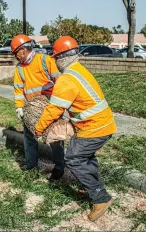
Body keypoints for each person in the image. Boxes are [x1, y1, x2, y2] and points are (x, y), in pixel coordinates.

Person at [34, 36, 117, 221]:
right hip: (104, 124)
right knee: (86, 157)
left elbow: (53, 110)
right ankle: (94, 188)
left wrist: (39, 129)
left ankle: (100, 197)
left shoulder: (66, 79)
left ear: (61, 58)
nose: (54, 62)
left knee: (73, 159)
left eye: (54, 58)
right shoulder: (78, 71)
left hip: (94, 128)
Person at [11, 34, 65, 181]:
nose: (16, 56)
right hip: (30, 109)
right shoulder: (20, 69)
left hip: (49, 106)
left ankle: (60, 167)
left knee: (55, 137)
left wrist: (59, 104)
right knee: (29, 138)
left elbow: (60, 82)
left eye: (16, 53)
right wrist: (19, 107)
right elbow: (18, 89)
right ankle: (31, 168)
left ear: (23, 50)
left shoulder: (45, 60)